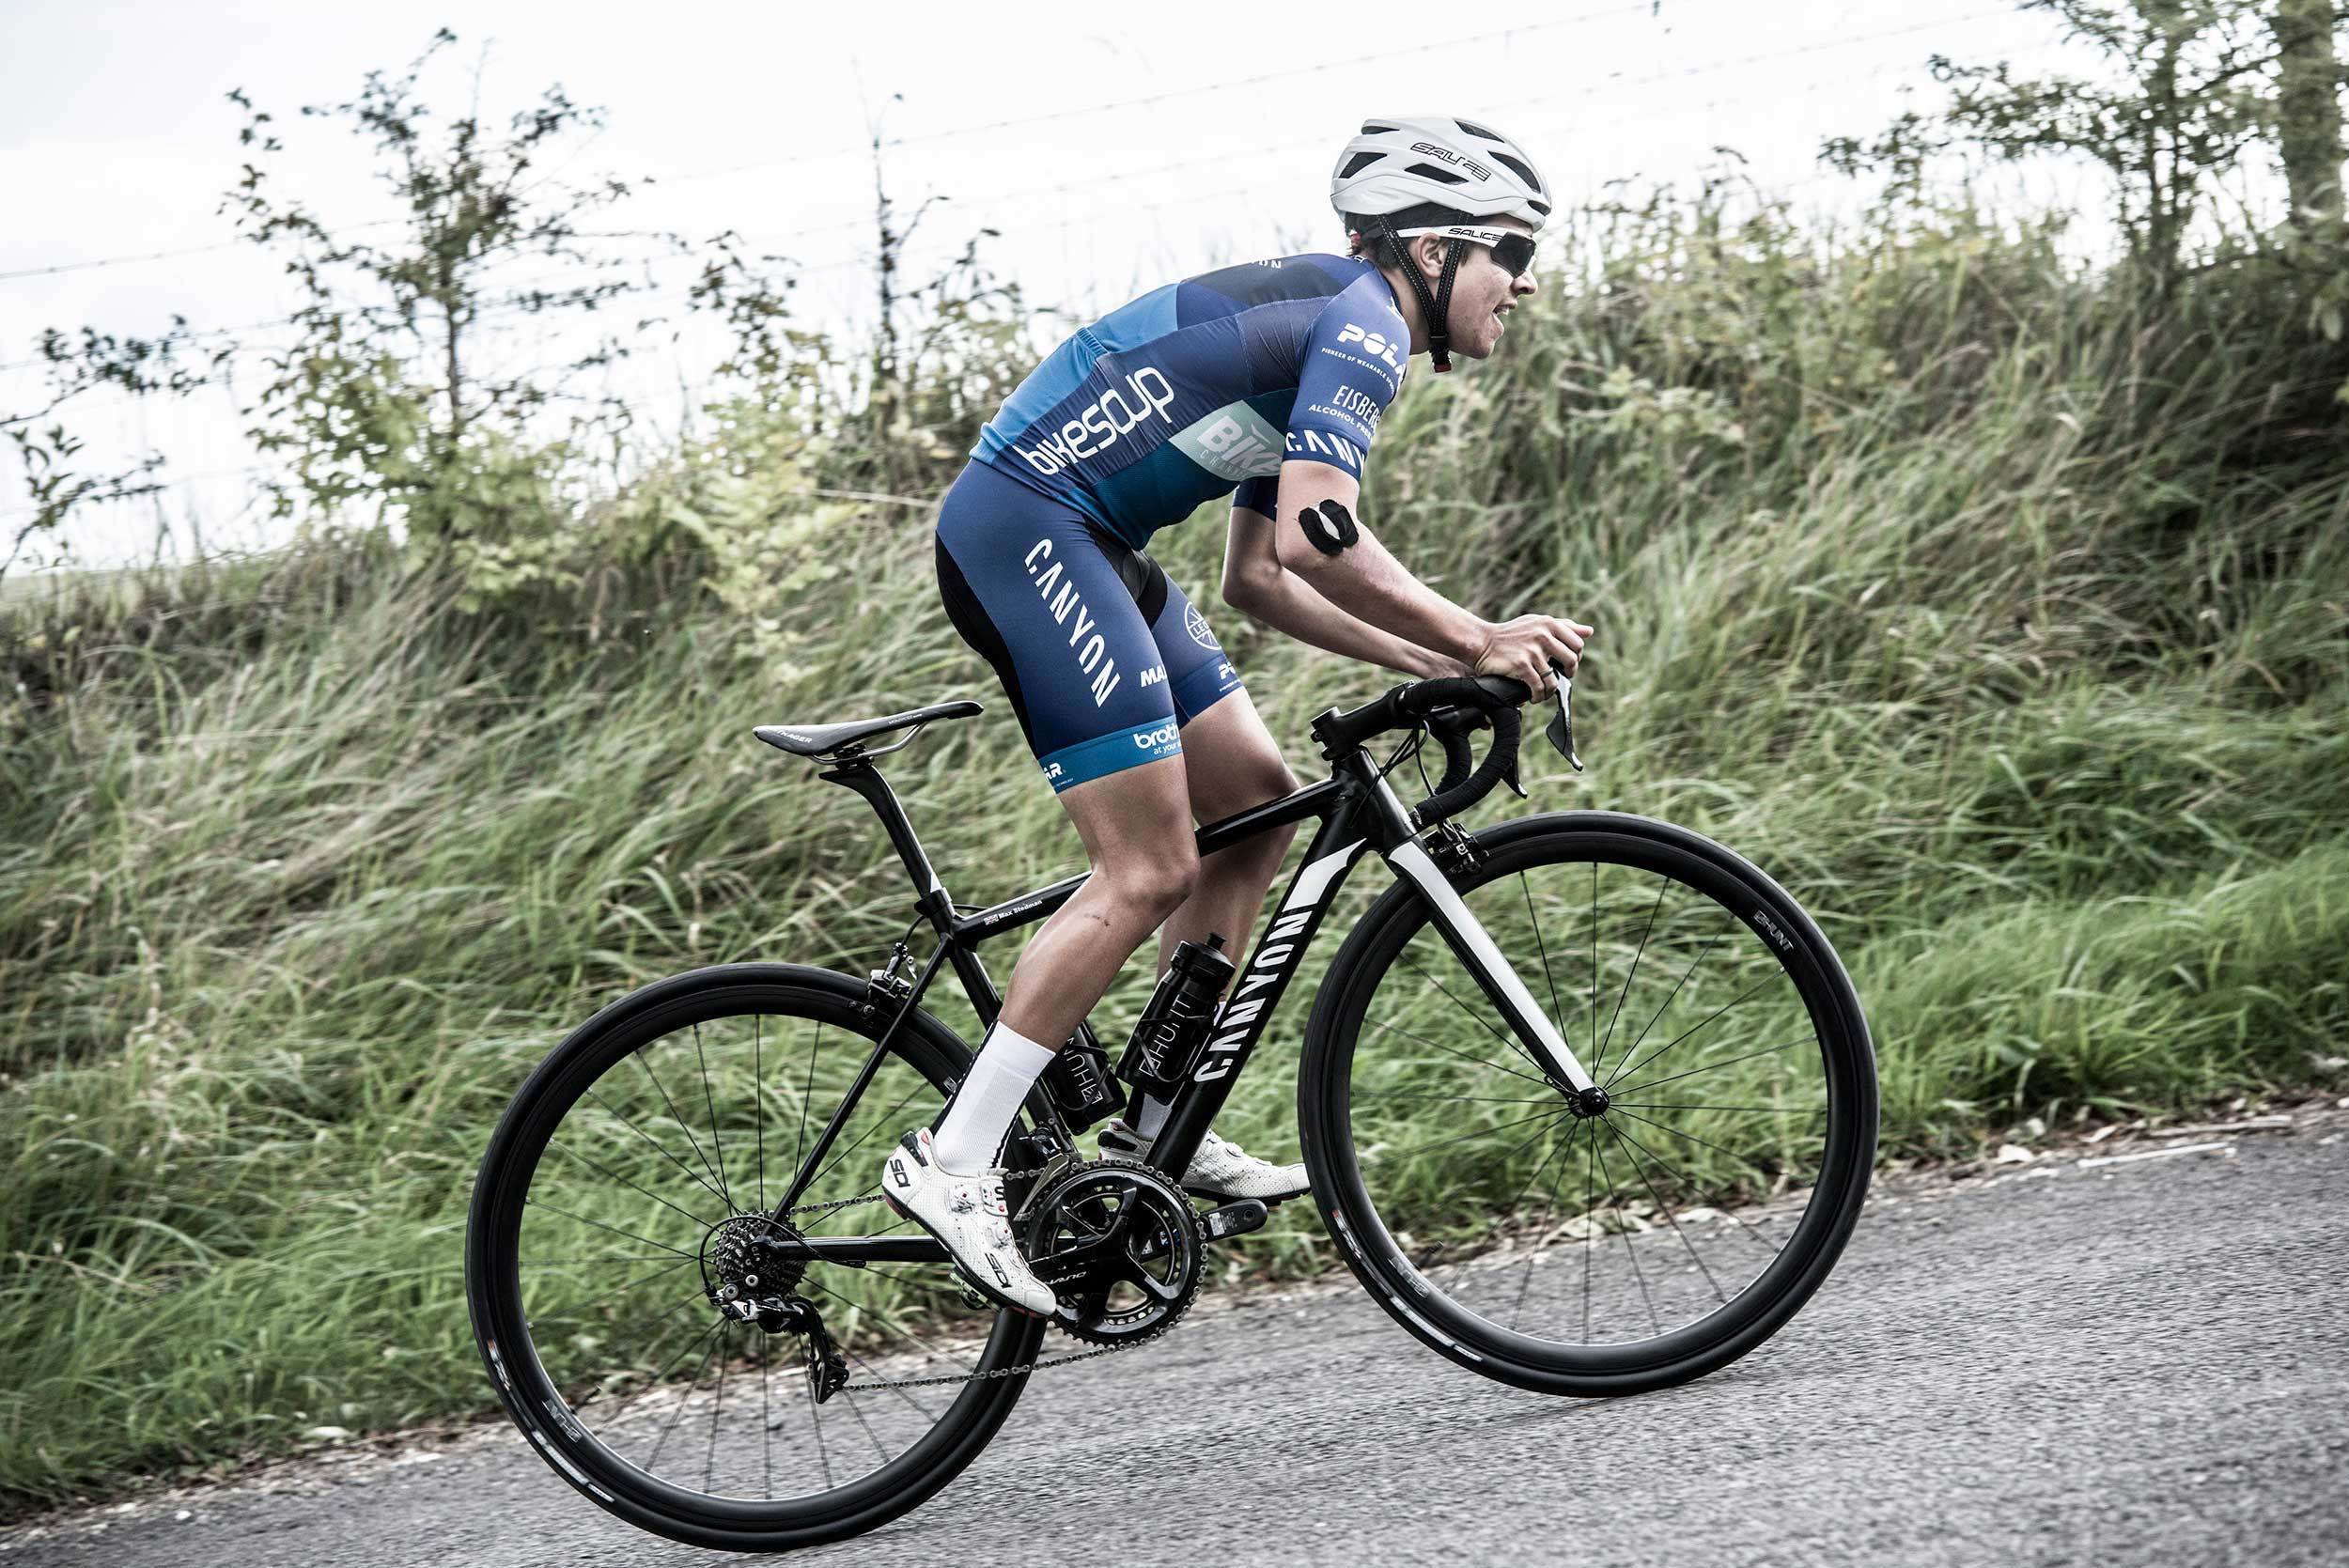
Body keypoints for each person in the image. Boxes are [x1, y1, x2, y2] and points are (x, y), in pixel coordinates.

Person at [883, 115, 1595, 1315]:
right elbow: (1322, 530)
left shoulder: (1326, 322)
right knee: (1148, 866)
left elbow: (1261, 573)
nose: (1521, 282)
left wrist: (1434, 662)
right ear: (1432, 251)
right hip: (1028, 528)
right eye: (1507, 250)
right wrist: (1475, 637)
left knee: (1254, 804)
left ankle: (1155, 1127)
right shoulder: (1363, 322)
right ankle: (955, 1160)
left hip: (1088, 541)